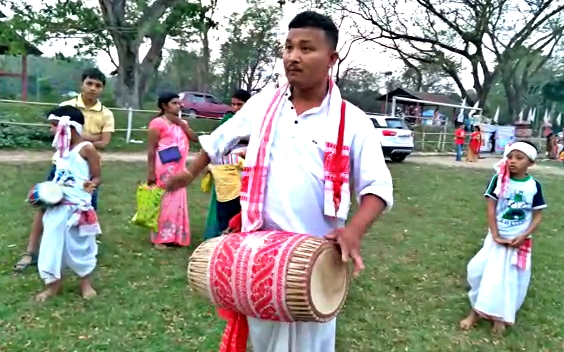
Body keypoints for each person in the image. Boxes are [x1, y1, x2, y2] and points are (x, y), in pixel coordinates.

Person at [166, 11, 393, 352]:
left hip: (316, 259)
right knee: (263, 339)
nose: (293, 57)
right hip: (262, 257)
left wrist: (353, 231)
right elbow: (220, 140)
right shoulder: (263, 105)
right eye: (288, 48)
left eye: (305, 48)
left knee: (313, 341)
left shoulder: (354, 121)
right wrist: (189, 171)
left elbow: (377, 187)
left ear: (331, 58)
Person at [13, 68, 114, 273]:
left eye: (98, 85)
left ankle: (79, 254)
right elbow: (59, 134)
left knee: (84, 211)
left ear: (102, 89)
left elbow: (104, 142)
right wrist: (83, 136)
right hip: (61, 167)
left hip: (84, 170)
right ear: (82, 84)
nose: (93, 88)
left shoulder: (106, 113)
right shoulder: (66, 107)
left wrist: (78, 136)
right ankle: (31, 251)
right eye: (89, 83)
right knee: (45, 206)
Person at [460, 141, 546, 334]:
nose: (512, 161)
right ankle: (477, 311)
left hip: (518, 243)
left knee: (508, 281)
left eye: (519, 158)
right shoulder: (499, 180)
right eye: (510, 157)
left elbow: (537, 214)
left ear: (530, 163)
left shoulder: (534, 186)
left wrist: (524, 235)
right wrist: (496, 235)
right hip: (497, 240)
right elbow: (491, 208)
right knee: (481, 274)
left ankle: (500, 317)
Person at [35, 105, 102, 302]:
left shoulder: (87, 149)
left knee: (82, 244)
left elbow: (97, 176)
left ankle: (85, 283)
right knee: (52, 244)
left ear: (69, 126)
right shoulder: (60, 152)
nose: (51, 130)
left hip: (78, 207)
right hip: (57, 205)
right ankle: (53, 284)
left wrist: (93, 183)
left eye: (54, 125)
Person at [147, 92, 197, 249]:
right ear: (164, 106)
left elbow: (194, 138)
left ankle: (176, 235)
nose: (179, 105)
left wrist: (182, 125)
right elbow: (151, 149)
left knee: (177, 199)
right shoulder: (157, 123)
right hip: (164, 168)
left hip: (179, 168)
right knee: (165, 201)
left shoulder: (182, 123)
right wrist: (150, 172)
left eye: (179, 103)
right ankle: (160, 238)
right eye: (174, 103)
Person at [203, 89, 251, 240]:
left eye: (240, 104)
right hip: (227, 169)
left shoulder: (254, 122)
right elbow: (217, 145)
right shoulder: (228, 120)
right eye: (233, 104)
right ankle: (218, 234)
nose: (236, 108)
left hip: (246, 166)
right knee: (224, 201)